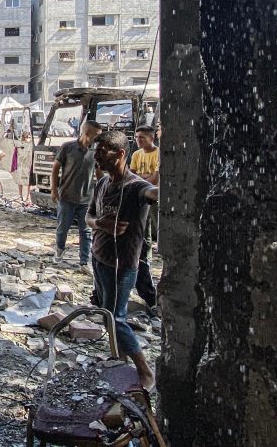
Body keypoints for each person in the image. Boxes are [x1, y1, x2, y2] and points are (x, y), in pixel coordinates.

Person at [85, 130, 158, 391]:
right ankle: (120, 362)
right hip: (99, 258)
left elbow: (153, 193)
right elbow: (89, 216)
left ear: (120, 154)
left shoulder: (137, 187)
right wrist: (100, 225)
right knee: (106, 315)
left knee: (116, 318)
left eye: (103, 151)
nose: (97, 155)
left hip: (122, 265)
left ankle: (145, 372)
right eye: (97, 150)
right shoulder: (103, 184)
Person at [50, 120, 103, 275]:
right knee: (62, 228)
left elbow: (99, 174)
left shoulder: (96, 152)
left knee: (86, 231)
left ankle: (84, 261)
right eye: (97, 135)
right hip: (66, 196)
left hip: (87, 199)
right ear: (87, 133)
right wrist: (54, 189)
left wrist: (101, 193)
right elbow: (55, 168)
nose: (98, 138)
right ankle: (59, 250)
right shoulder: (68, 147)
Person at [129, 126, 160, 312]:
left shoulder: (158, 154)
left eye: (142, 138)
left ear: (151, 138)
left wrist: (140, 179)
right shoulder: (136, 154)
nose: (139, 140)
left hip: (153, 199)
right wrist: (143, 178)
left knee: (148, 234)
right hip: (139, 198)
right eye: (137, 137)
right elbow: (132, 175)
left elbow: (154, 180)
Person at [11, 131, 33, 204]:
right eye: (27, 137)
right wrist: (14, 166)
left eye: (30, 137)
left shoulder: (31, 146)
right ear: (23, 138)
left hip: (28, 165)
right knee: (20, 181)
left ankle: (27, 196)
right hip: (20, 165)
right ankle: (20, 195)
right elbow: (15, 156)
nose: (28, 139)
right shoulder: (18, 146)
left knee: (29, 181)